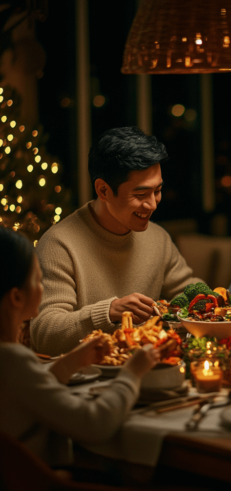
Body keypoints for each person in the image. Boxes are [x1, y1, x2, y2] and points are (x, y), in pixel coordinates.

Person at [31, 127, 200, 356]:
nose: (152, 204)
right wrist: (108, 312)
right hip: (83, 383)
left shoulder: (158, 238)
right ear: (103, 190)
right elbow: (45, 335)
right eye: (140, 195)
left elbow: (192, 295)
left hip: (147, 372)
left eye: (158, 191)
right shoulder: (59, 245)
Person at [0, 227, 163, 465]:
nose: (43, 288)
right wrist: (132, 373)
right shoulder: (12, 360)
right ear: (16, 297)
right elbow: (96, 425)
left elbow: (32, 392)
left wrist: (72, 361)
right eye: (38, 280)